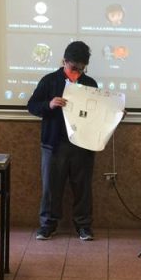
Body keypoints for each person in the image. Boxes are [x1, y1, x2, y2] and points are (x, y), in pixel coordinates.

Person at [27, 40, 98, 241]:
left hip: (82, 145)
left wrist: (114, 113)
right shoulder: (49, 81)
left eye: (82, 69)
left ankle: (83, 226)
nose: (77, 72)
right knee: (51, 187)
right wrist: (49, 104)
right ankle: (47, 225)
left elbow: (97, 113)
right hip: (54, 144)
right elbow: (32, 106)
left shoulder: (90, 84)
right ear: (64, 61)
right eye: (74, 68)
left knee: (83, 188)